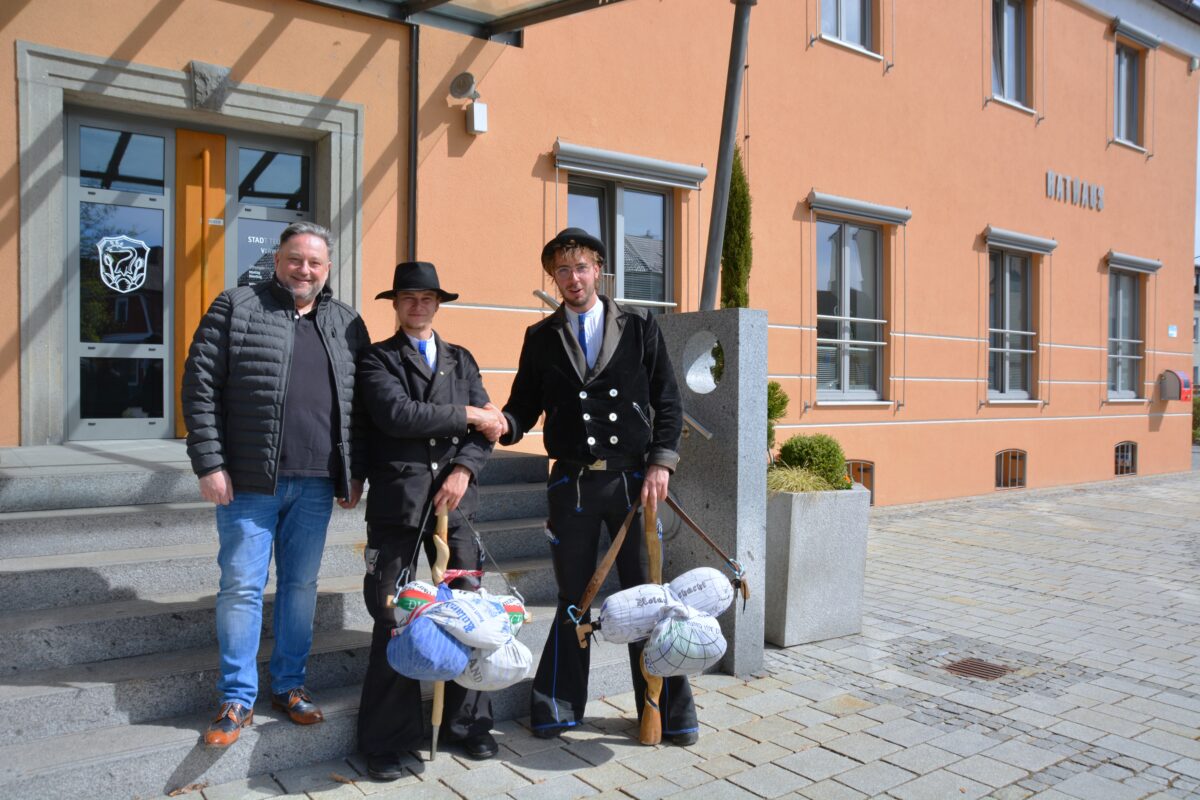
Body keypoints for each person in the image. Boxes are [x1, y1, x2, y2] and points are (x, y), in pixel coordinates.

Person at [496, 228, 699, 743]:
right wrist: (501, 424)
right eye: (561, 270)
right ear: (553, 277)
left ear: (599, 270)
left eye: (581, 267)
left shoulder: (639, 325)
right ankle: (559, 705)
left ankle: (667, 711)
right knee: (574, 596)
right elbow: (523, 406)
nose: (572, 278)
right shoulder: (540, 338)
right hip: (572, 485)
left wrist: (662, 464)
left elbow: (668, 401)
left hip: (635, 482)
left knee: (648, 597)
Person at [182, 221, 370, 748]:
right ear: (277, 260)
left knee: (300, 587)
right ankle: (236, 698)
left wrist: (353, 474)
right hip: (248, 481)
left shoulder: (346, 322)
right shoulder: (236, 306)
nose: (303, 270)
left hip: (315, 485)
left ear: (327, 268)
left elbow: (360, 410)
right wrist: (209, 463)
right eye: (295, 259)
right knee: (241, 586)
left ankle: (289, 686)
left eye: (314, 262)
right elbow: (199, 386)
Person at [355, 261, 507, 778]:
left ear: (439, 303)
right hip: (400, 504)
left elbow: (491, 430)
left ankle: (469, 725)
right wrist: (468, 414)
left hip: (456, 505)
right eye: (408, 298)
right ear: (395, 305)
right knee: (393, 614)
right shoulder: (377, 360)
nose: (418, 306)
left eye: (427, 298)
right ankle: (386, 740)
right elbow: (399, 416)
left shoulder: (461, 359)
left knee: (468, 613)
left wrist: (463, 469)